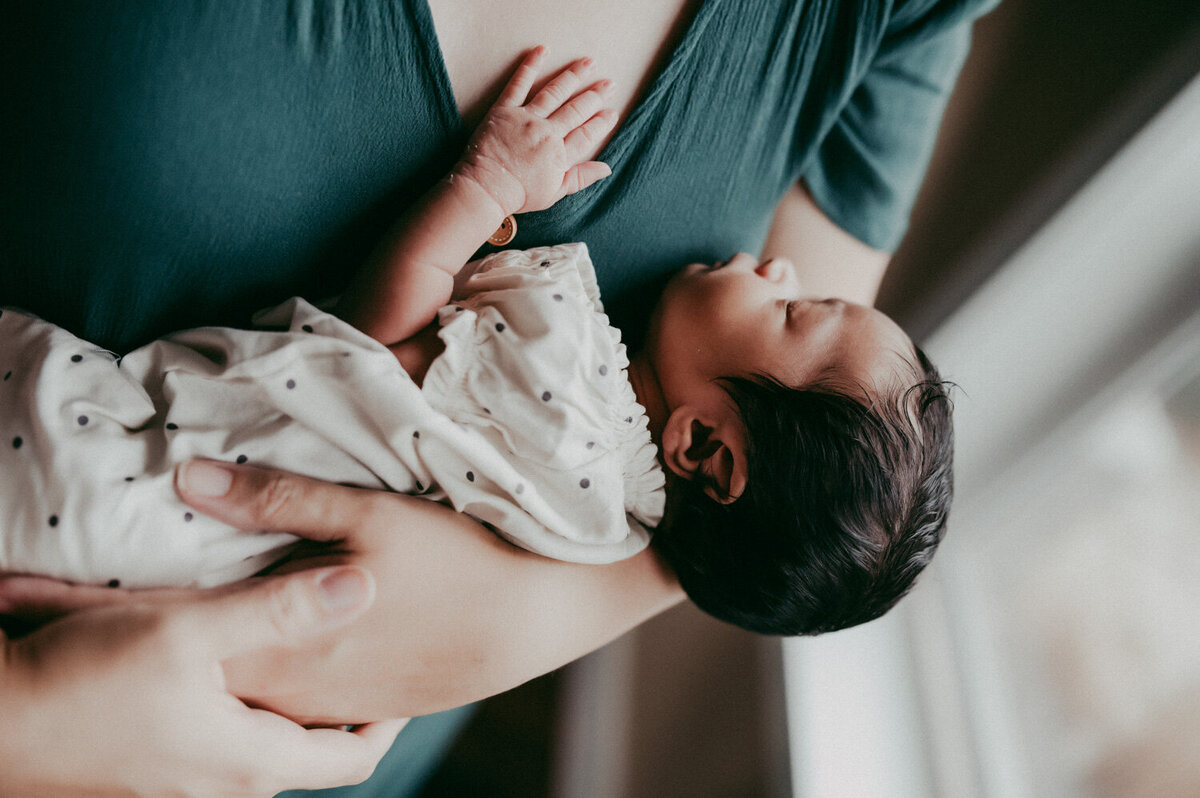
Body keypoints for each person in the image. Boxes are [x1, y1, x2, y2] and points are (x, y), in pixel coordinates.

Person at [0, 0, 996, 794]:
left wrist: (484, 191)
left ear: (702, 451)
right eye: (803, 293)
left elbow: (379, 336)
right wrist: (30, 724)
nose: (777, 273)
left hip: (186, 583)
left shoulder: (563, 382)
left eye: (797, 310)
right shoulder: (607, 521)